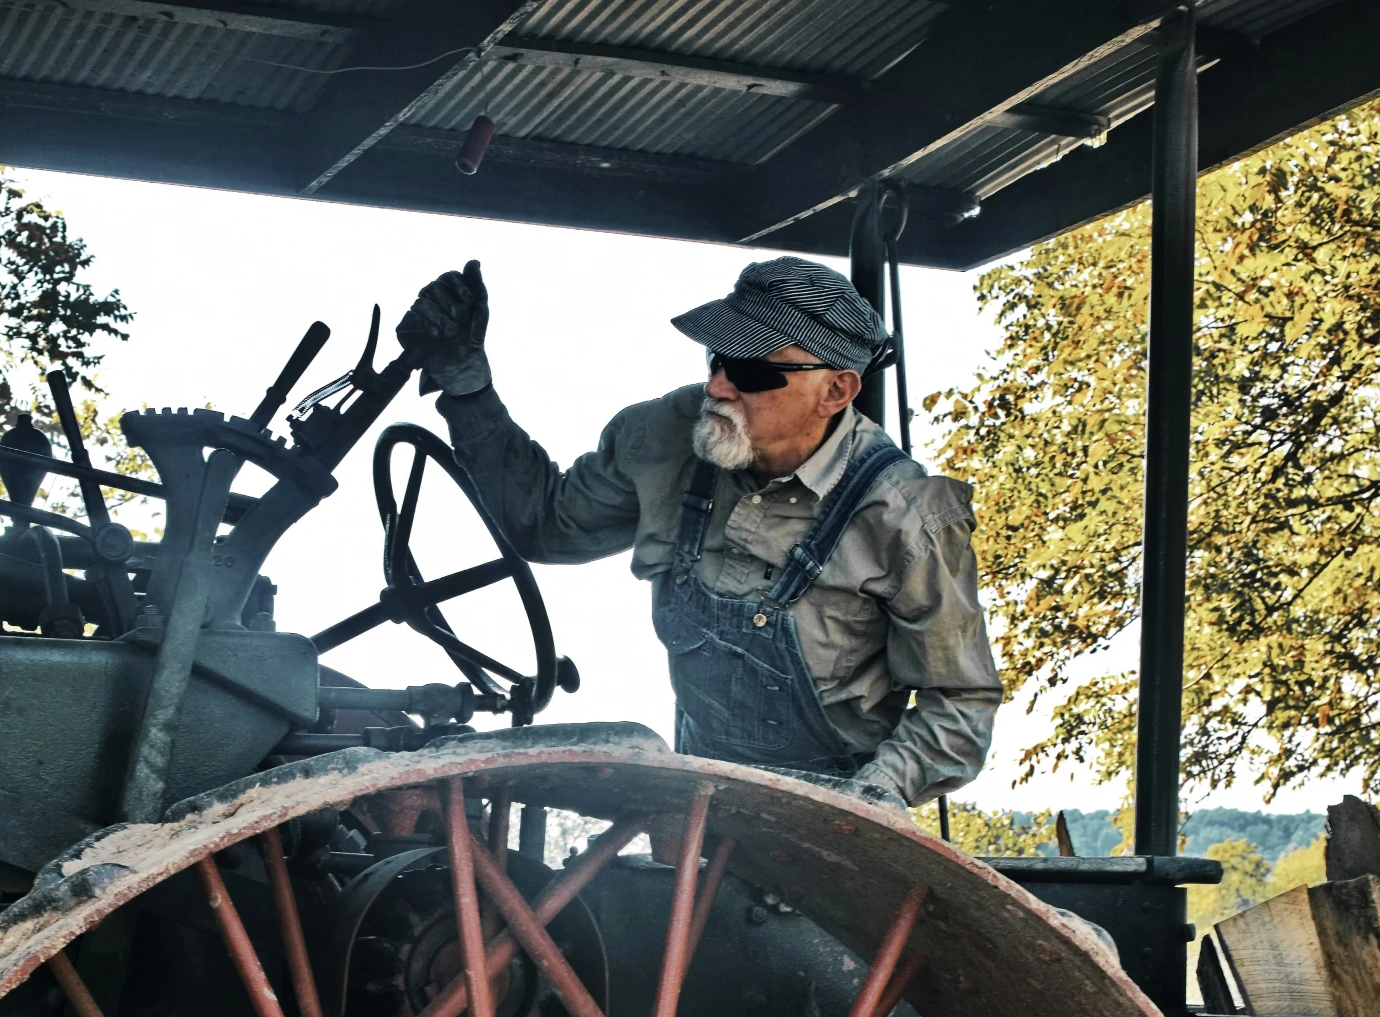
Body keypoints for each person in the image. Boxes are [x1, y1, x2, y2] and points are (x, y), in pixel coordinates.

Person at [395, 256, 1001, 808]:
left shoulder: (908, 517)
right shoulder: (668, 435)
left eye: (751, 372)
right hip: (695, 811)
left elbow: (961, 703)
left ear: (836, 390)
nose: (717, 388)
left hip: (833, 833)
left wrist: (870, 800)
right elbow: (544, 524)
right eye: (717, 358)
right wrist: (468, 387)